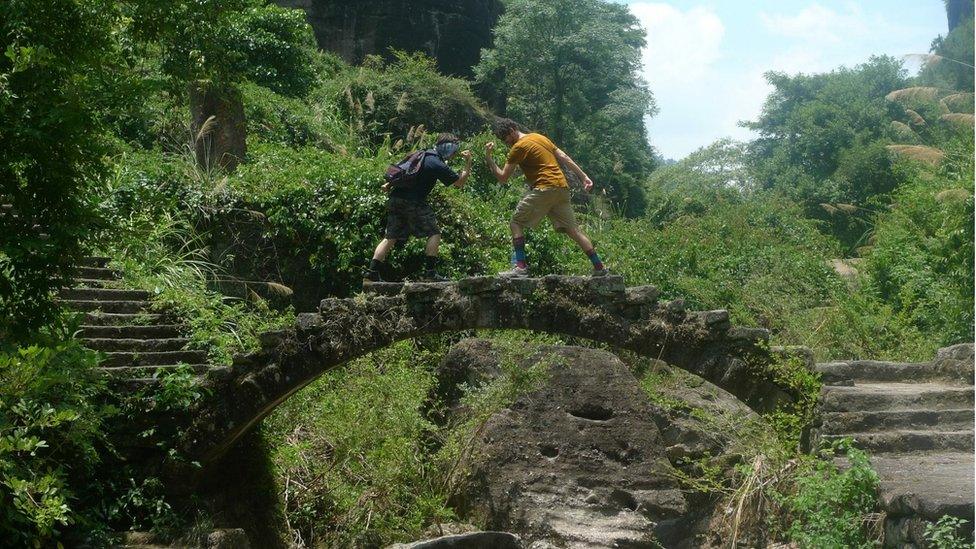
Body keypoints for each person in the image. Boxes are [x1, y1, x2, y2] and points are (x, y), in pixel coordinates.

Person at [485, 118, 607, 278]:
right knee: (574, 231)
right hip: (562, 188)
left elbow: (503, 177)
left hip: (545, 188)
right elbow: (564, 156)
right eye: (502, 139)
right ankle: (599, 268)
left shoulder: (518, 147)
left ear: (513, 130)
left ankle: (520, 267)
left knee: (516, 223)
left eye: (505, 137)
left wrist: (489, 157)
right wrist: (583, 176)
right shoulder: (539, 137)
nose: (505, 142)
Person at [364, 133, 472, 283]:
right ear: (447, 149)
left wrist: (388, 185)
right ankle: (430, 273)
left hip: (396, 198)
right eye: (454, 150)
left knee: (390, 237)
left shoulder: (421, 154)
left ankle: (371, 272)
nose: (454, 154)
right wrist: (468, 162)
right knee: (434, 233)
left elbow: (402, 171)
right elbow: (459, 183)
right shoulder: (436, 163)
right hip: (412, 202)